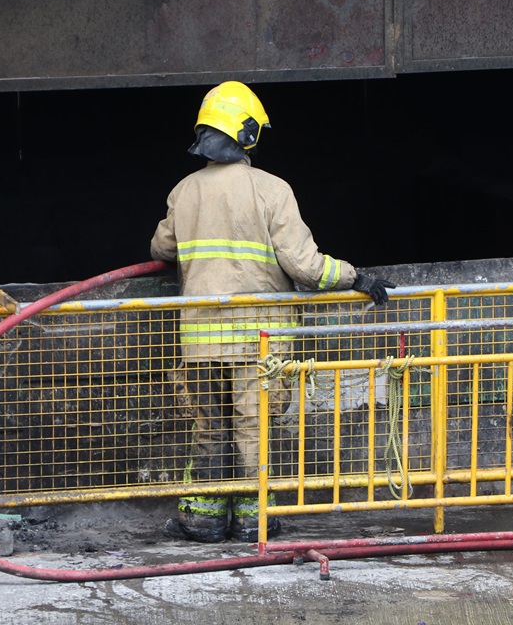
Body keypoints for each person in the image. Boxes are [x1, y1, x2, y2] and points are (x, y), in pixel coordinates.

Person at [150, 81, 395, 543]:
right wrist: (356, 278)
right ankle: (252, 520)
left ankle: (202, 519)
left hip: (201, 340)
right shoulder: (272, 190)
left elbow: (160, 246)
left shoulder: (183, 191)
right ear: (248, 135)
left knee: (210, 427)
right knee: (252, 428)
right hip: (258, 341)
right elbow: (304, 266)